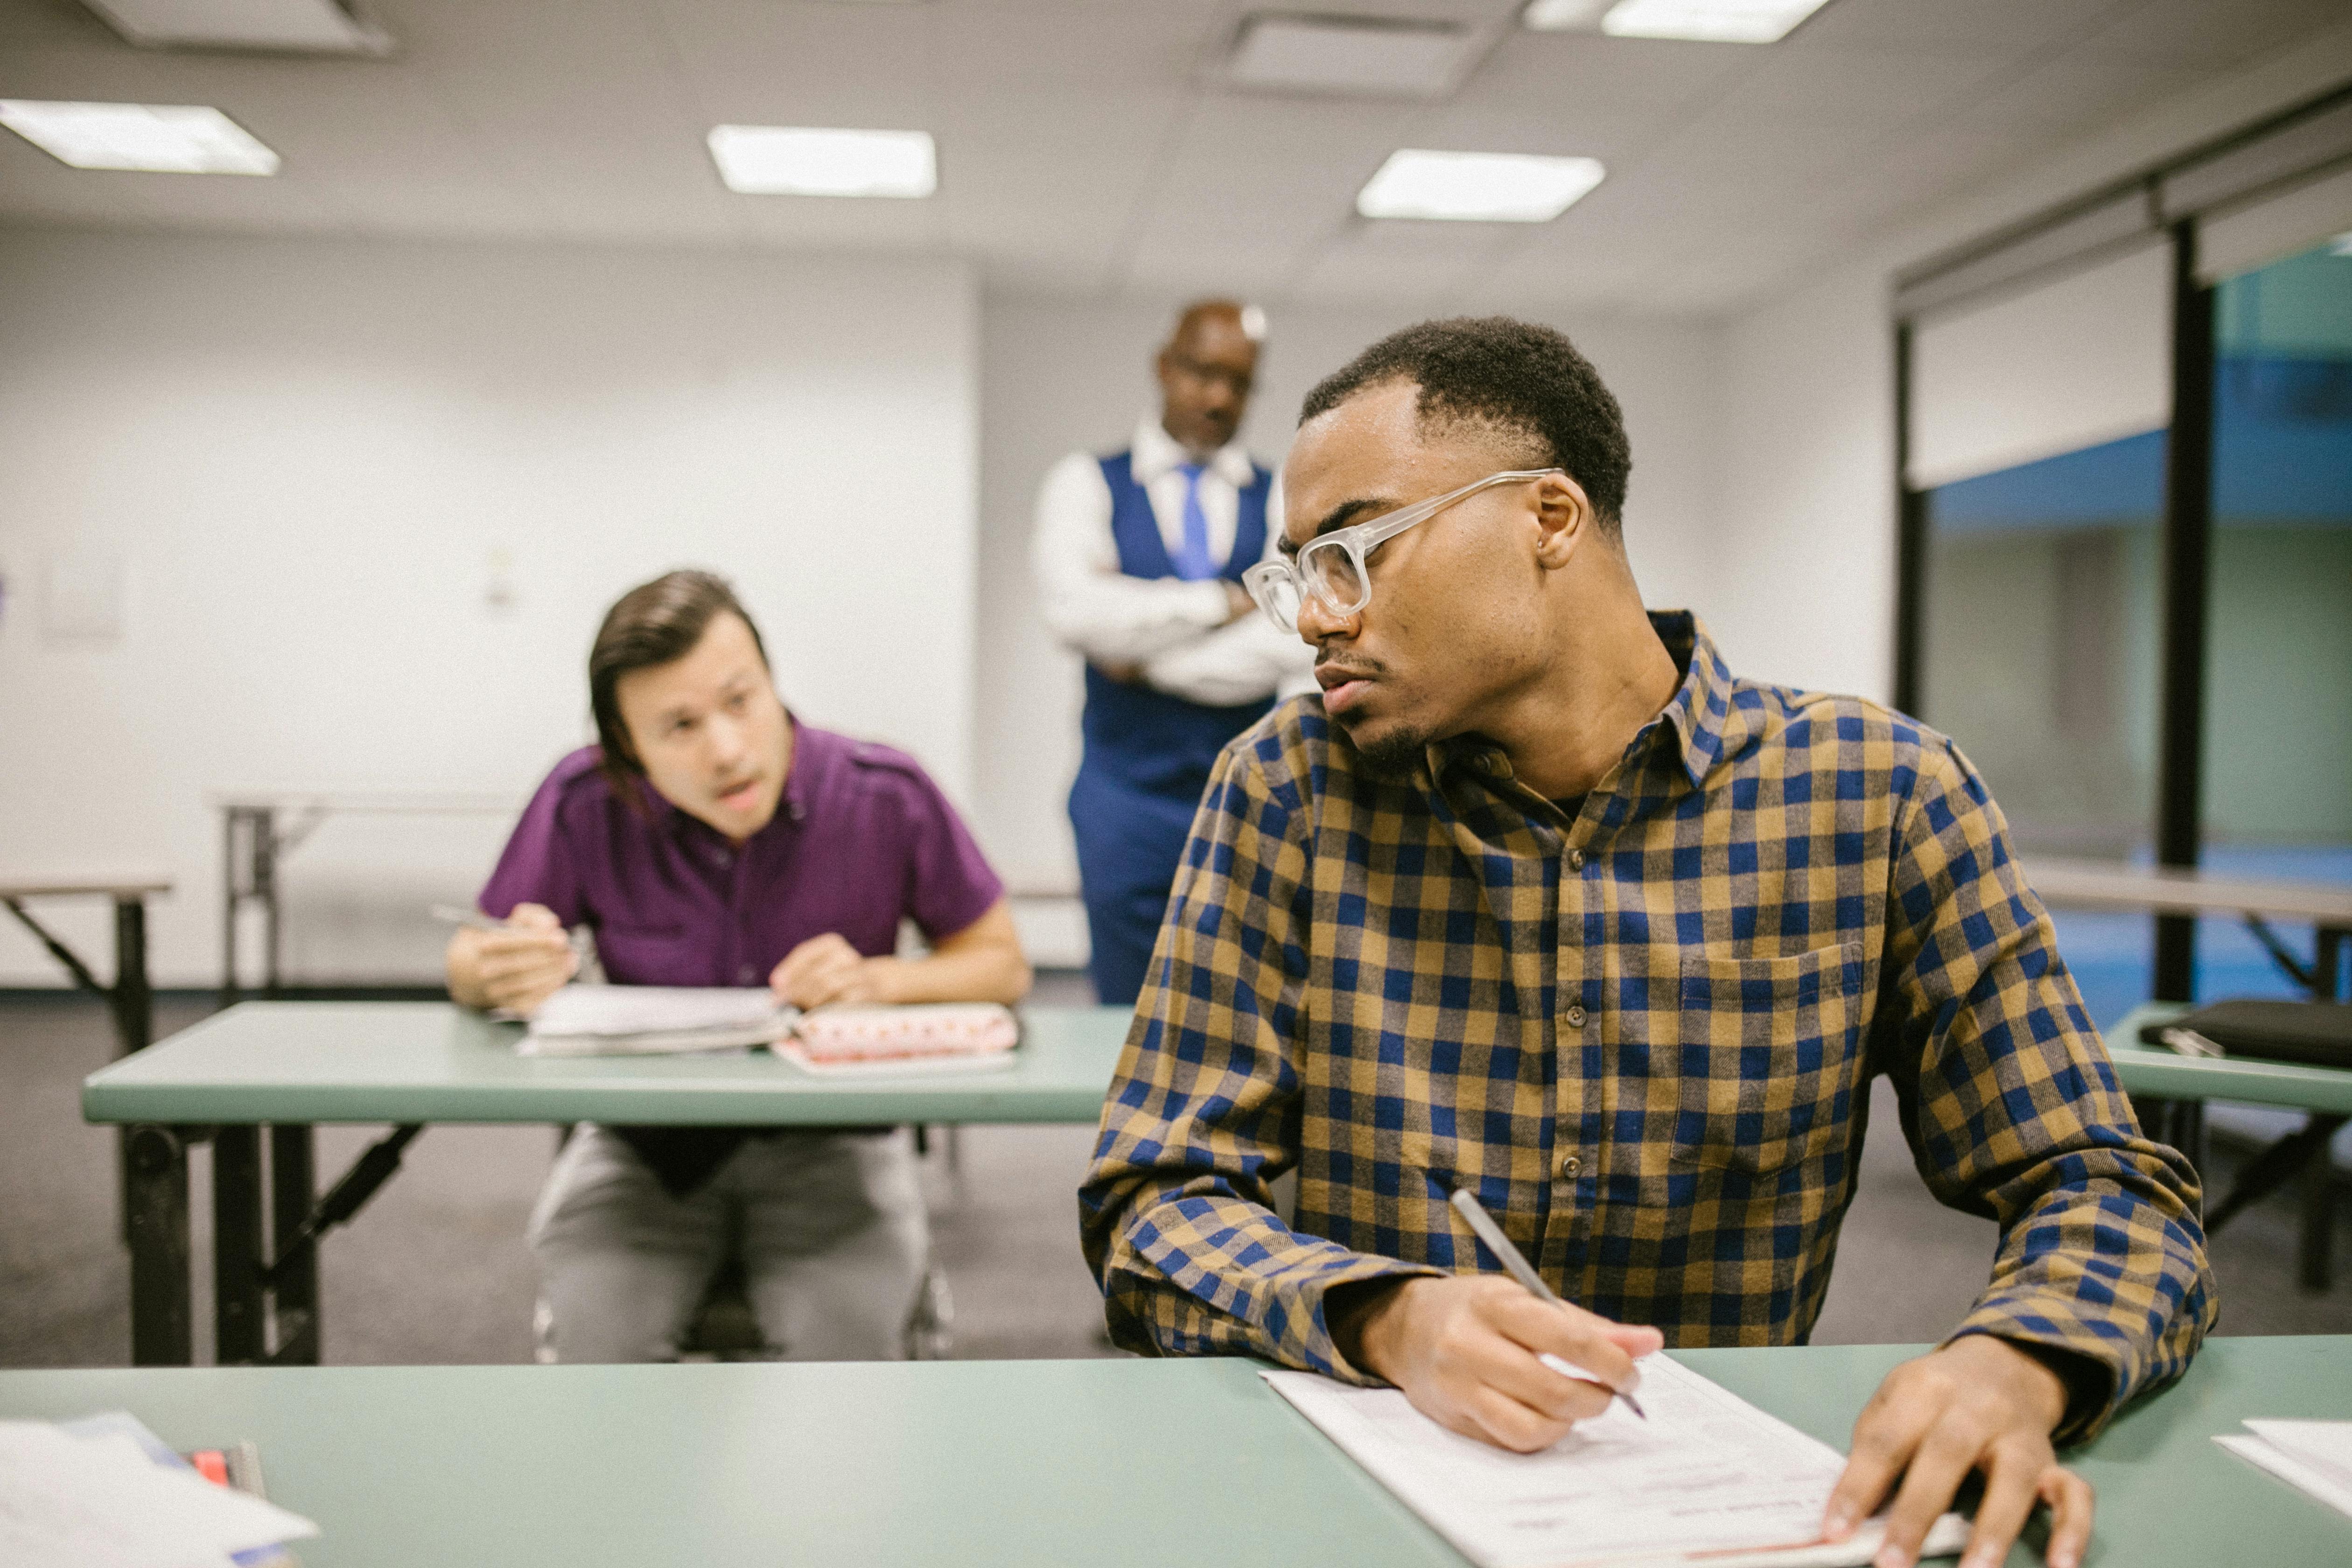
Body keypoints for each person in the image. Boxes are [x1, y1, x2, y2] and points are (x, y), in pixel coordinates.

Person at [1080, 319, 2215, 1568]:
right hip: (1377, 1513)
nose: (1314, 621)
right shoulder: (1288, 791)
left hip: (1741, 1529)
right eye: (1298, 576)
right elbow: (1152, 1202)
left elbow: (2104, 1183)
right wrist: (1390, 1320)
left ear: (1549, 519)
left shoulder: (1878, 800)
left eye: (1351, 552)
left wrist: (2023, 1364)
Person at [448, 569, 1029, 1363]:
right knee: (596, 1356)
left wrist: (881, 981)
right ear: (627, 751)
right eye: (679, 726)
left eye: (740, 700)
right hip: (641, 1144)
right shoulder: (585, 799)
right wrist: (500, 968)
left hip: (836, 1144)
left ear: (771, 682)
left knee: (849, 1375)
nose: (727, 749)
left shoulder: (883, 793)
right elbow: (467, 958)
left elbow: (1001, 963)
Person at [1033, 299, 1312, 1005]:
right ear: (1165, 366)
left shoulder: (1285, 492)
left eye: (1240, 382)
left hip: (1249, 798)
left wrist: (1146, 653)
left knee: (1243, 1007)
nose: (1219, 397)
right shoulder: (1087, 481)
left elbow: (1293, 628)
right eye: (1203, 372)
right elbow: (1076, 615)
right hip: (1122, 803)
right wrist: (1220, 604)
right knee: (1127, 1017)